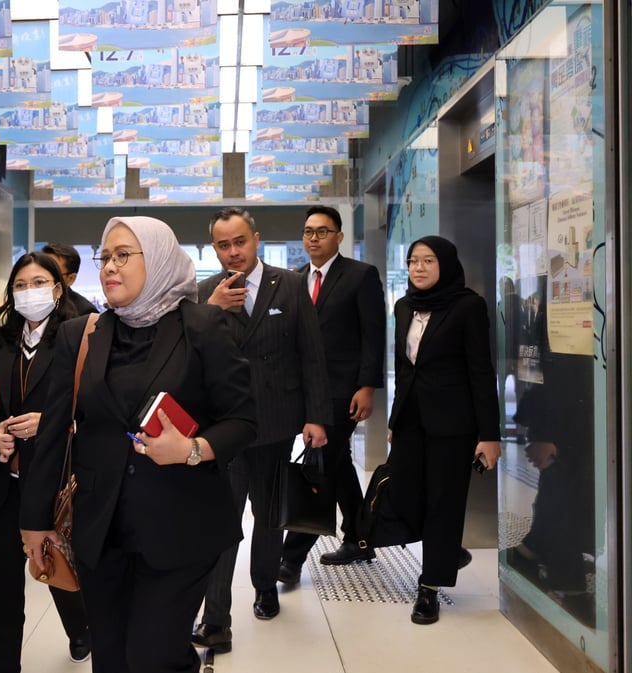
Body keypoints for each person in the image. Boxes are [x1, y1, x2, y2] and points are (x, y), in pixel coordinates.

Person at [20, 216, 255, 673]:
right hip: (101, 529)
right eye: (104, 256)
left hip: (181, 527)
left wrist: (192, 449)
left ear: (160, 257)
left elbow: (244, 419)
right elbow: (53, 432)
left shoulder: (204, 327)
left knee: (152, 656)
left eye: (123, 255)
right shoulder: (81, 335)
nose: (110, 266)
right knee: (111, 658)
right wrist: (33, 520)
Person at [192, 207, 331, 652]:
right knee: (221, 521)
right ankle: (215, 618)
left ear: (256, 239)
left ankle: (266, 587)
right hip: (224, 427)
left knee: (269, 516)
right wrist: (210, 311)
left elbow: (311, 355)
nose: (233, 252)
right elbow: (190, 359)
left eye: (240, 242)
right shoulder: (203, 293)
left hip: (275, 421)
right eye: (223, 245)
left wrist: (316, 416)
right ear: (214, 247)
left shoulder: (288, 285)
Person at [0, 252, 91, 670]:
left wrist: (54, 421)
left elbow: (95, 405)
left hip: (59, 481)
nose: (29, 293)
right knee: (3, 587)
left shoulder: (78, 337)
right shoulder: (1, 338)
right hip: (8, 480)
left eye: (38, 283)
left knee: (59, 569)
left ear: (58, 289)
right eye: (20, 286)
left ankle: (82, 629)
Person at [388, 235, 501, 625]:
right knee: (405, 494)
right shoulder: (404, 307)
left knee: (444, 503)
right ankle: (447, 547)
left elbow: (480, 372)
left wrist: (490, 434)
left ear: (446, 265)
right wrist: (394, 420)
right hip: (410, 422)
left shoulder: (468, 306)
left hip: (453, 426)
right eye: (413, 261)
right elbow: (404, 368)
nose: (419, 268)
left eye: (428, 261)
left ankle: (429, 587)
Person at [280, 205, 385, 583]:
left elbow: (373, 335)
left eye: (322, 231)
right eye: (308, 231)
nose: (313, 238)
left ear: (339, 237)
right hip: (303, 390)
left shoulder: (360, 276)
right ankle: (360, 538)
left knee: (320, 466)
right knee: (337, 465)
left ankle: (290, 558)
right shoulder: (293, 280)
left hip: (343, 390)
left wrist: (367, 386)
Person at [43, 242, 99, 315]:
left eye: (53, 272)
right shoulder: (29, 302)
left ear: (71, 279)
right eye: (42, 270)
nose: (44, 277)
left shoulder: (84, 312)